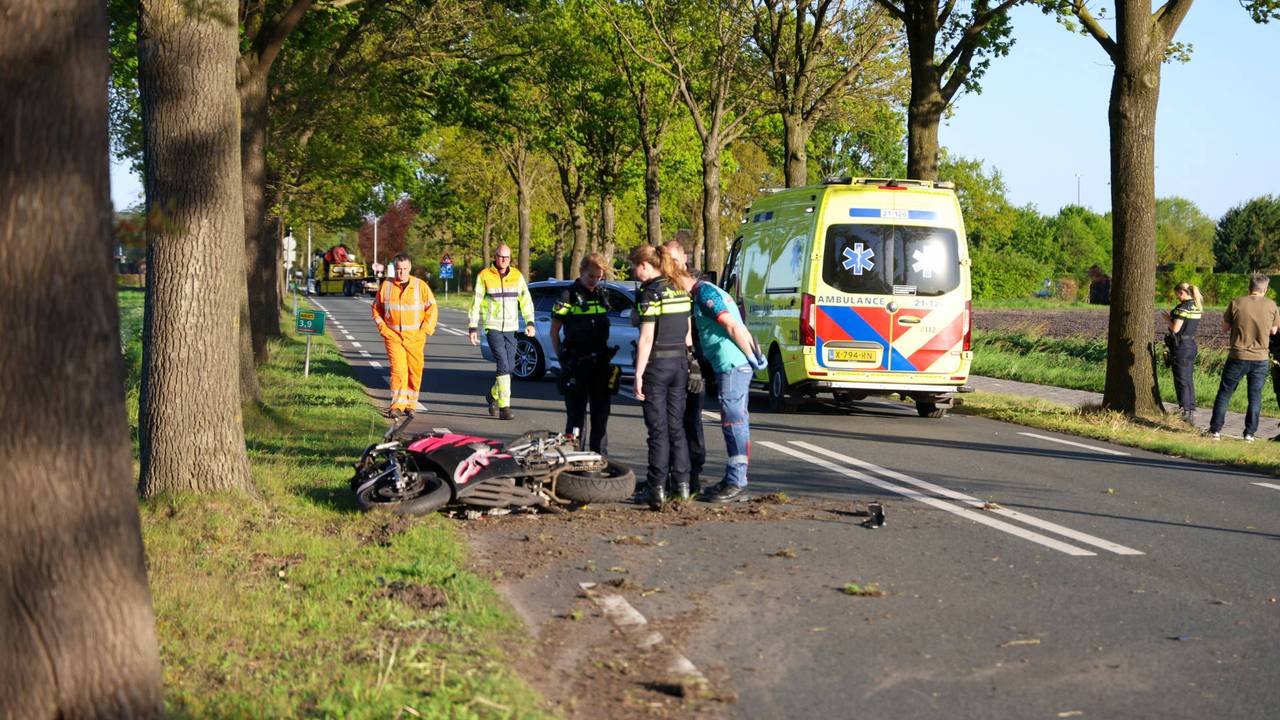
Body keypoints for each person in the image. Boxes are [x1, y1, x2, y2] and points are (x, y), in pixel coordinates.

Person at [671, 269, 768, 503]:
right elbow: (738, 323)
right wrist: (754, 354)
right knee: (735, 420)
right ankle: (734, 478)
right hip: (734, 364)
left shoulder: (704, 294)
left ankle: (737, 482)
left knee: (734, 422)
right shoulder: (710, 291)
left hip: (732, 365)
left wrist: (751, 356)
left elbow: (732, 326)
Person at [630, 244, 694, 509]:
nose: (634, 272)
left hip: (657, 366)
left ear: (645, 265)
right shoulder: (679, 287)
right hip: (679, 363)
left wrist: (638, 374)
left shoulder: (651, 293)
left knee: (658, 431)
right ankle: (683, 486)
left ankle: (656, 489)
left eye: (635, 267)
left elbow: (646, 338)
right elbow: (688, 332)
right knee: (676, 427)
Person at [551, 253, 617, 452]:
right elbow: (554, 331)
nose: (594, 281)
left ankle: (599, 457)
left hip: (601, 362)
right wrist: (562, 359)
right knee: (576, 417)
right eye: (591, 276)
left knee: (601, 415)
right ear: (581, 272)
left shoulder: (601, 294)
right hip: (577, 362)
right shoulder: (567, 296)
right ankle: (573, 458)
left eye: (599, 277)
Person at [1207, 273, 1279, 441]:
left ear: (1250, 287)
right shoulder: (1272, 305)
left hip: (1237, 355)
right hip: (1260, 357)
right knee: (1255, 396)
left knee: (1225, 393)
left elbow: (1224, 328)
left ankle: (1215, 430)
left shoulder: (1237, 302)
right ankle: (1249, 433)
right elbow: (1274, 331)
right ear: (1265, 289)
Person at [661, 235, 708, 494]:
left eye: (675, 260)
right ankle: (670, 474)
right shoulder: (659, 285)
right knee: (667, 422)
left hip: (694, 360)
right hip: (668, 361)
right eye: (667, 260)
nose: (672, 265)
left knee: (692, 420)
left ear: (685, 259)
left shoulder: (698, 285)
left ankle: (695, 474)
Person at [468, 244, 535, 420]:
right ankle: (505, 407)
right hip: (493, 327)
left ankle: (492, 395)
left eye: (506, 258)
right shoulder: (484, 276)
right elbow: (476, 302)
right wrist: (473, 326)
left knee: (511, 367)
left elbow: (526, 300)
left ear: (510, 259)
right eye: (500, 257)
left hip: (512, 328)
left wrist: (530, 322)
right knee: (503, 365)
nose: (503, 260)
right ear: (495, 256)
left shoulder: (517, 276)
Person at [372, 253, 438, 417]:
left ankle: (411, 403)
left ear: (410, 268)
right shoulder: (386, 286)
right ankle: (397, 405)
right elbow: (376, 309)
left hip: (415, 338)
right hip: (393, 336)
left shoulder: (420, 286)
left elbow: (432, 308)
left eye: (405, 269)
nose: (401, 272)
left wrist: (424, 330)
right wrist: (383, 329)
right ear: (394, 269)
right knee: (398, 370)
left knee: (414, 371)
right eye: (399, 269)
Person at [1164, 282, 1203, 422]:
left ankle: (1185, 411)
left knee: (1181, 379)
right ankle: (1190, 408)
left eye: (1177, 295)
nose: (1177, 298)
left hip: (1181, 346)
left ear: (1181, 292)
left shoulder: (1183, 308)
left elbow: (1175, 329)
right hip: (1191, 345)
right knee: (1188, 378)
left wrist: (1168, 319)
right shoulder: (1196, 307)